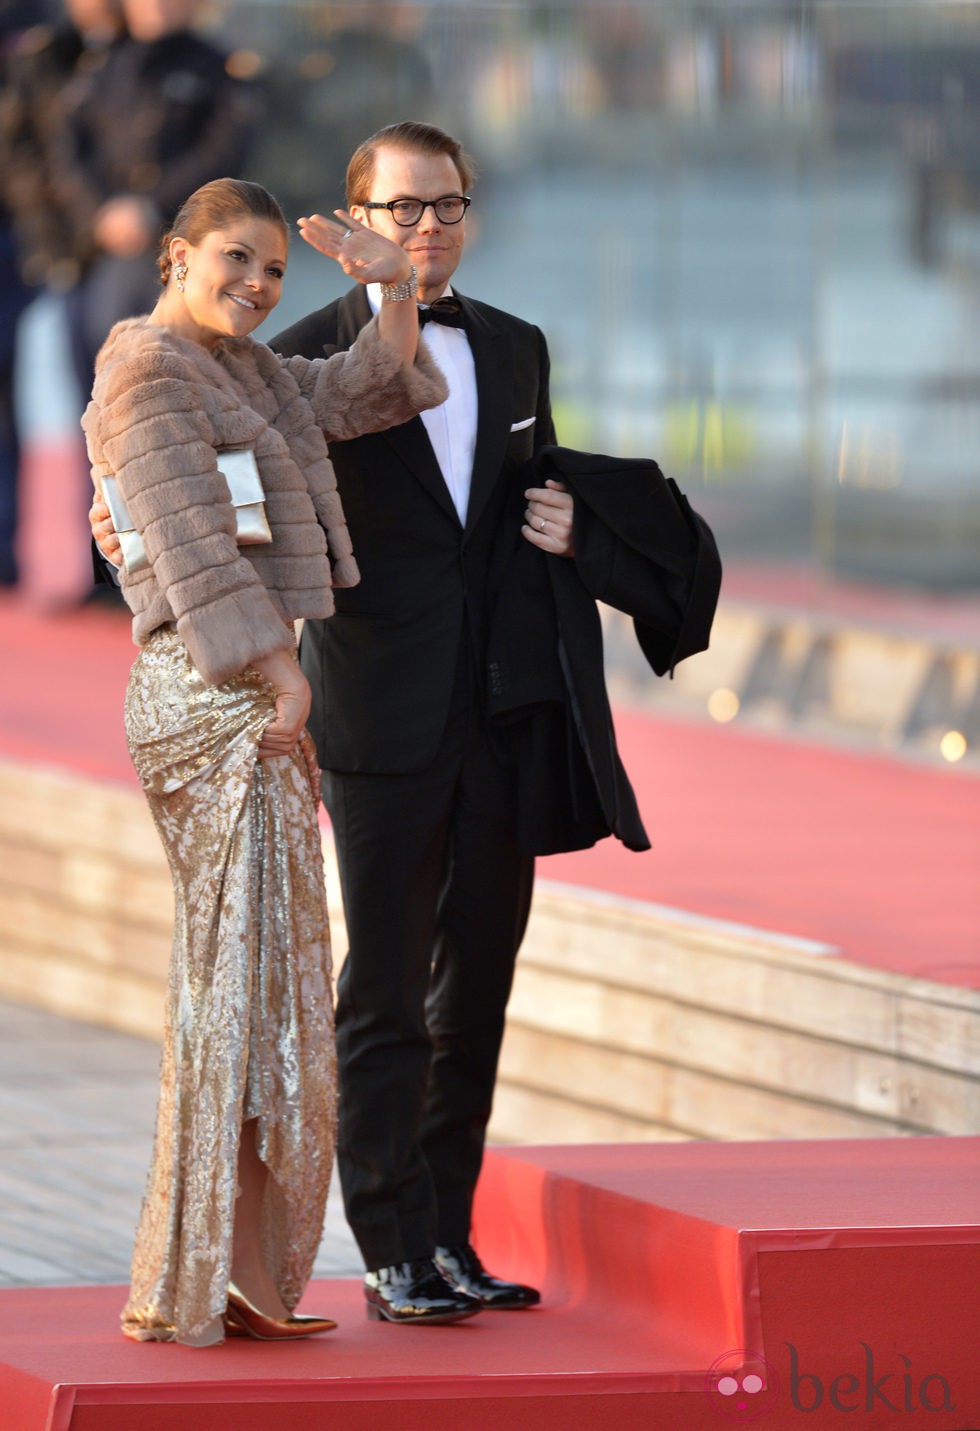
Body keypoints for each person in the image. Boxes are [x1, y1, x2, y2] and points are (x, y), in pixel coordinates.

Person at [94, 122, 720, 1329]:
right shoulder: (283, 358)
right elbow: (187, 481)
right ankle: (386, 1245)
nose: (426, 227)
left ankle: (448, 1236)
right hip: (374, 710)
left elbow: (515, 503)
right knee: (382, 988)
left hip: (505, 708)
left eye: (446, 206)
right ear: (356, 224)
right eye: (401, 209)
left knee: (475, 985)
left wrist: (581, 538)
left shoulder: (520, 349)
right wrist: (112, 527)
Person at [81, 173, 448, 1346]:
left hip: (256, 695)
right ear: (176, 256)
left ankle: (235, 1274)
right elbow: (191, 543)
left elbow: (358, 394)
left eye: (273, 271)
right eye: (231, 260)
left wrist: (391, 294)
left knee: (273, 993)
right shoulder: (147, 373)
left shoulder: (241, 372)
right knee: (231, 991)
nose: (254, 284)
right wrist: (276, 669)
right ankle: (187, 1281)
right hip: (213, 697)